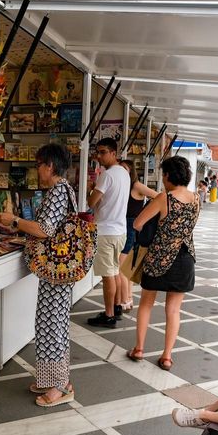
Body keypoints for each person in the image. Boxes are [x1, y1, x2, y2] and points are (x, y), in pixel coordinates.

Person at [0, 144, 80, 407]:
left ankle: (59, 387)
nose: (37, 169)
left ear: (50, 166)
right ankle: (52, 379)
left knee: (51, 327)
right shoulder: (64, 190)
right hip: (58, 271)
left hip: (56, 273)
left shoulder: (57, 192)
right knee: (50, 325)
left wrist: (14, 221)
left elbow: (45, 229)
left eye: (39, 164)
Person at [126, 157, 199, 371]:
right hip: (184, 259)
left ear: (168, 175)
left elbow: (138, 223)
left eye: (164, 175)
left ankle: (139, 349)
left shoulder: (163, 199)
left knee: (146, 303)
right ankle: (167, 356)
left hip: (158, 258)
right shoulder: (196, 199)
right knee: (174, 310)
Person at [85, 138, 130, 329]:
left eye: (103, 152)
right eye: (98, 152)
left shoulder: (107, 175)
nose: (99, 156)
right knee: (114, 271)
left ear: (114, 153)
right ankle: (115, 308)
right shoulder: (124, 173)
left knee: (108, 275)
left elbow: (91, 202)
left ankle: (109, 315)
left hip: (105, 231)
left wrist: (90, 188)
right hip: (119, 230)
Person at [115, 161, 160, 313]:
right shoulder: (122, 185)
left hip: (130, 227)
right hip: (121, 226)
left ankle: (123, 301)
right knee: (126, 268)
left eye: (124, 168)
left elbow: (158, 197)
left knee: (121, 268)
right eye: (119, 168)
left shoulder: (136, 186)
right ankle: (127, 300)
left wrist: (146, 216)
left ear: (131, 171)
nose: (121, 171)